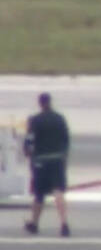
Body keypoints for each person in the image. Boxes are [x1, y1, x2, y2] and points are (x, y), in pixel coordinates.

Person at [23, 92, 71, 237]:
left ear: (40, 103)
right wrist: (63, 158)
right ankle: (64, 223)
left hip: (41, 161)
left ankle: (34, 223)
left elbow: (29, 142)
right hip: (57, 160)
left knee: (39, 195)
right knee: (58, 191)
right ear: (50, 102)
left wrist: (29, 154)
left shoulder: (34, 120)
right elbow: (66, 140)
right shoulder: (60, 119)